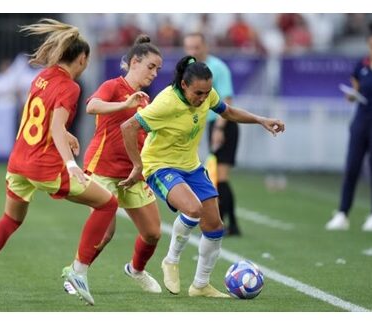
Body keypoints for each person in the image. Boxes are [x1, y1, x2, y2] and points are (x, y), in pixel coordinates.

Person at [0, 19, 118, 306]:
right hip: (46, 167)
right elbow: (53, 127)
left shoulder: (42, 77)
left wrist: (64, 134)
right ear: (81, 58)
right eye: (87, 61)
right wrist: (70, 163)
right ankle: (77, 271)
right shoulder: (70, 87)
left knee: (10, 219)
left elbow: (40, 119)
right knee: (108, 204)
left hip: (18, 162)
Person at [120, 56, 285, 298]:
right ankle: (171, 259)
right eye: (198, 93)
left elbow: (227, 112)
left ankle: (200, 285)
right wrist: (137, 165)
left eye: (207, 92)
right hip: (160, 166)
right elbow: (128, 127)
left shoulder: (207, 95)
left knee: (215, 226)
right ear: (184, 85)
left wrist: (261, 120)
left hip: (191, 166)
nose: (203, 98)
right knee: (193, 209)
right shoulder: (166, 102)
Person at [77, 35, 163, 293]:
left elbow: (144, 137)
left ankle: (136, 269)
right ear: (134, 62)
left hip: (132, 172)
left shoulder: (145, 100)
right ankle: (77, 273)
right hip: (102, 169)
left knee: (153, 233)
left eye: (158, 69)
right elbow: (91, 106)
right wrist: (124, 103)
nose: (155, 73)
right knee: (105, 233)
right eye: (151, 66)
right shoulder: (113, 86)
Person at [325, 21, 372, 232]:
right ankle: (342, 213)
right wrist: (351, 96)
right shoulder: (362, 66)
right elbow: (356, 93)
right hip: (360, 123)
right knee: (351, 168)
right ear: (368, 45)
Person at [183, 32, 241, 236]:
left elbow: (227, 102)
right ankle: (229, 224)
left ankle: (228, 224)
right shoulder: (190, 70)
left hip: (223, 125)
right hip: (208, 126)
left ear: (205, 46)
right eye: (189, 47)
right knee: (215, 176)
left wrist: (219, 129)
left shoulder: (218, 68)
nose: (192, 51)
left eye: (196, 47)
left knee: (220, 177)